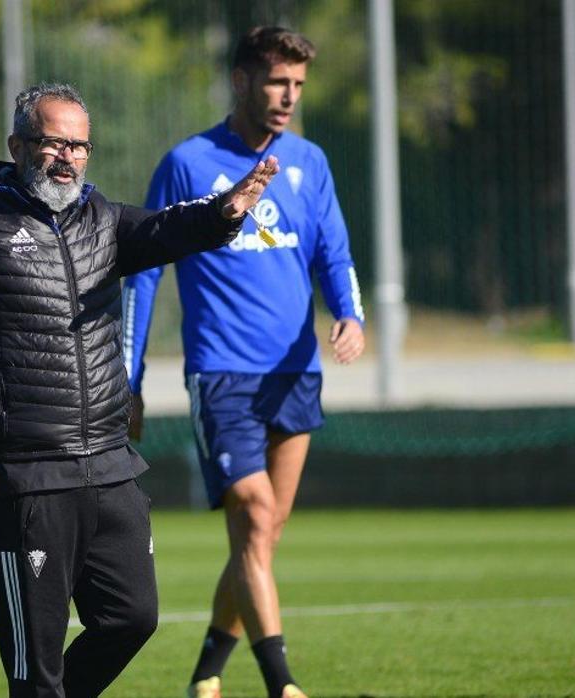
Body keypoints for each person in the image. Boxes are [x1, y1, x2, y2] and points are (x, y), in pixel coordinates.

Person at [0, 82, 279, 697]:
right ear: (17, 145)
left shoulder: (103, 218)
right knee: (36, 665)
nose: (68, 157)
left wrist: (224, 212)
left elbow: (168, 230)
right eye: (54, 142)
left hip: (111, 470)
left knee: (132, 618)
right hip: (27, 480)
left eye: (80, 146)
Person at [122, 27, 365, 698]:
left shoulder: (310, 162)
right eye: (276, 82)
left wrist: (351, 313)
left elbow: (333, 254)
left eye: (297, 86)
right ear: (241, 81)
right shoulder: (187, 163)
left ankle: (206, 672)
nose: (288, 97)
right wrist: (129, 380)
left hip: (296, 371)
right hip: (222, 372)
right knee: (255, 518)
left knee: (262, 537)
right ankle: (282, 683)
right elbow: (143, 274)